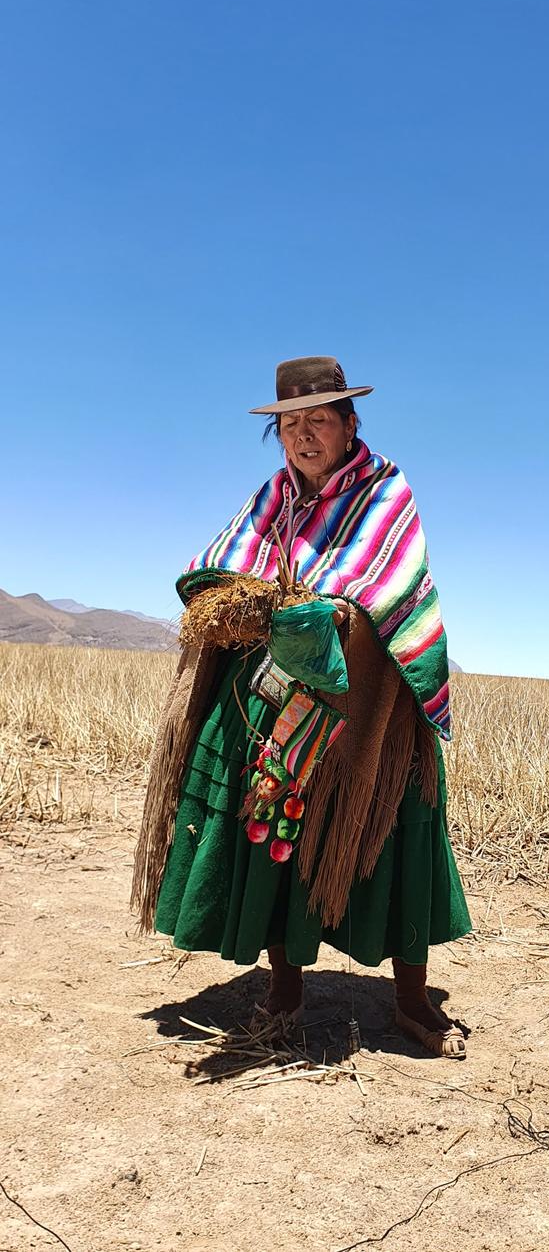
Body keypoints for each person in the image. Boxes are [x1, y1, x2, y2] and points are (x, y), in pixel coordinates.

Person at [132, 356, 471, 1059]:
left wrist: (322, 613)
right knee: (272, 825)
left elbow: (386, 586)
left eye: (320, 419)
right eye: (290, 424)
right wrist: (235, 601)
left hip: (368, 701)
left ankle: (411, 1001)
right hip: (280, 700)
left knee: (390, 827)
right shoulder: (273, 501)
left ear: (351, 424)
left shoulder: (385, 492)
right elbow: (223, 565)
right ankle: (284, 991)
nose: (304, 434)